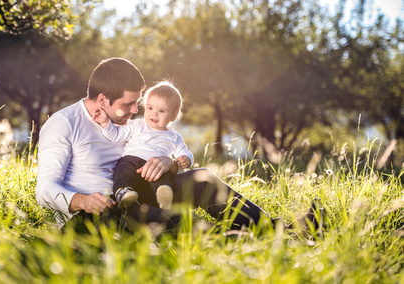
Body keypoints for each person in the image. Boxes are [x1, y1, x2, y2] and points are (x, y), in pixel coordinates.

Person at [36, 57, 322, 233]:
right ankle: (235, 242)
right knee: (174, 220)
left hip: (144, 191)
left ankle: (284, 230)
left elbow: (161, 144)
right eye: (127, 105)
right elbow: (45, 189)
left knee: (204, 178)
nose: (135, 112)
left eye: (137, 104)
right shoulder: (63, 125)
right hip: (103, 214)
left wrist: (169, 162)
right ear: (102, 100)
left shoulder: (125, 121)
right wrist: (82, 200)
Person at [94, 81, 193, 210]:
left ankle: (164, 197)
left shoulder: (173, 136)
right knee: (124, 172)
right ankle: (122, 192)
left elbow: (184, 151)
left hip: (155, 167)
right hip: (131, 160)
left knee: (163, 179)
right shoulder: (136, 125)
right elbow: (116, 135)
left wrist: (186, 159)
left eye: (161, 111)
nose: (154, 114)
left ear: (173, 117)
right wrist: (105, 123)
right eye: (150, 108)